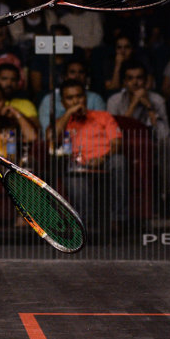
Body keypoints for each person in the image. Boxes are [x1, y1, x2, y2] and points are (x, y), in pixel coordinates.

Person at [52, 79, 128, 231]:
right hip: (76, 163)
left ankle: (116, 219)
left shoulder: (103, 116)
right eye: (70, 98)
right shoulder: (62, 121)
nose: (76, 101)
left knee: (119, 160)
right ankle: (86, 223)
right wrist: (69, 113)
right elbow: (51, 139)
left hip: (105, 160)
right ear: (63, 103)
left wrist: (103, 158)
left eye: (79, 96)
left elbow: (117, 143)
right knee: (69, 167)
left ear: (85, 98)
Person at [106, 59, 170, 140]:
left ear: (145, 80)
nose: (135, 82)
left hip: (150, 143)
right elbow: (114, 134)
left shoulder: (158, 100)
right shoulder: (114, 101)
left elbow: (164, 136)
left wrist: (149, 106)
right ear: (125, 82)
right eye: (130, 78)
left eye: (139, 78)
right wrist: (133, 105)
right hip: (124, 143)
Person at [38, 57, 105, 132]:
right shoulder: (50, 100)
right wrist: (69, 113)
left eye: (81, 72)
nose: (77, 76)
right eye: (72, 72)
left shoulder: (95, 99)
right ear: (64, 76)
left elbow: (102, 128)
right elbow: (47, 133)